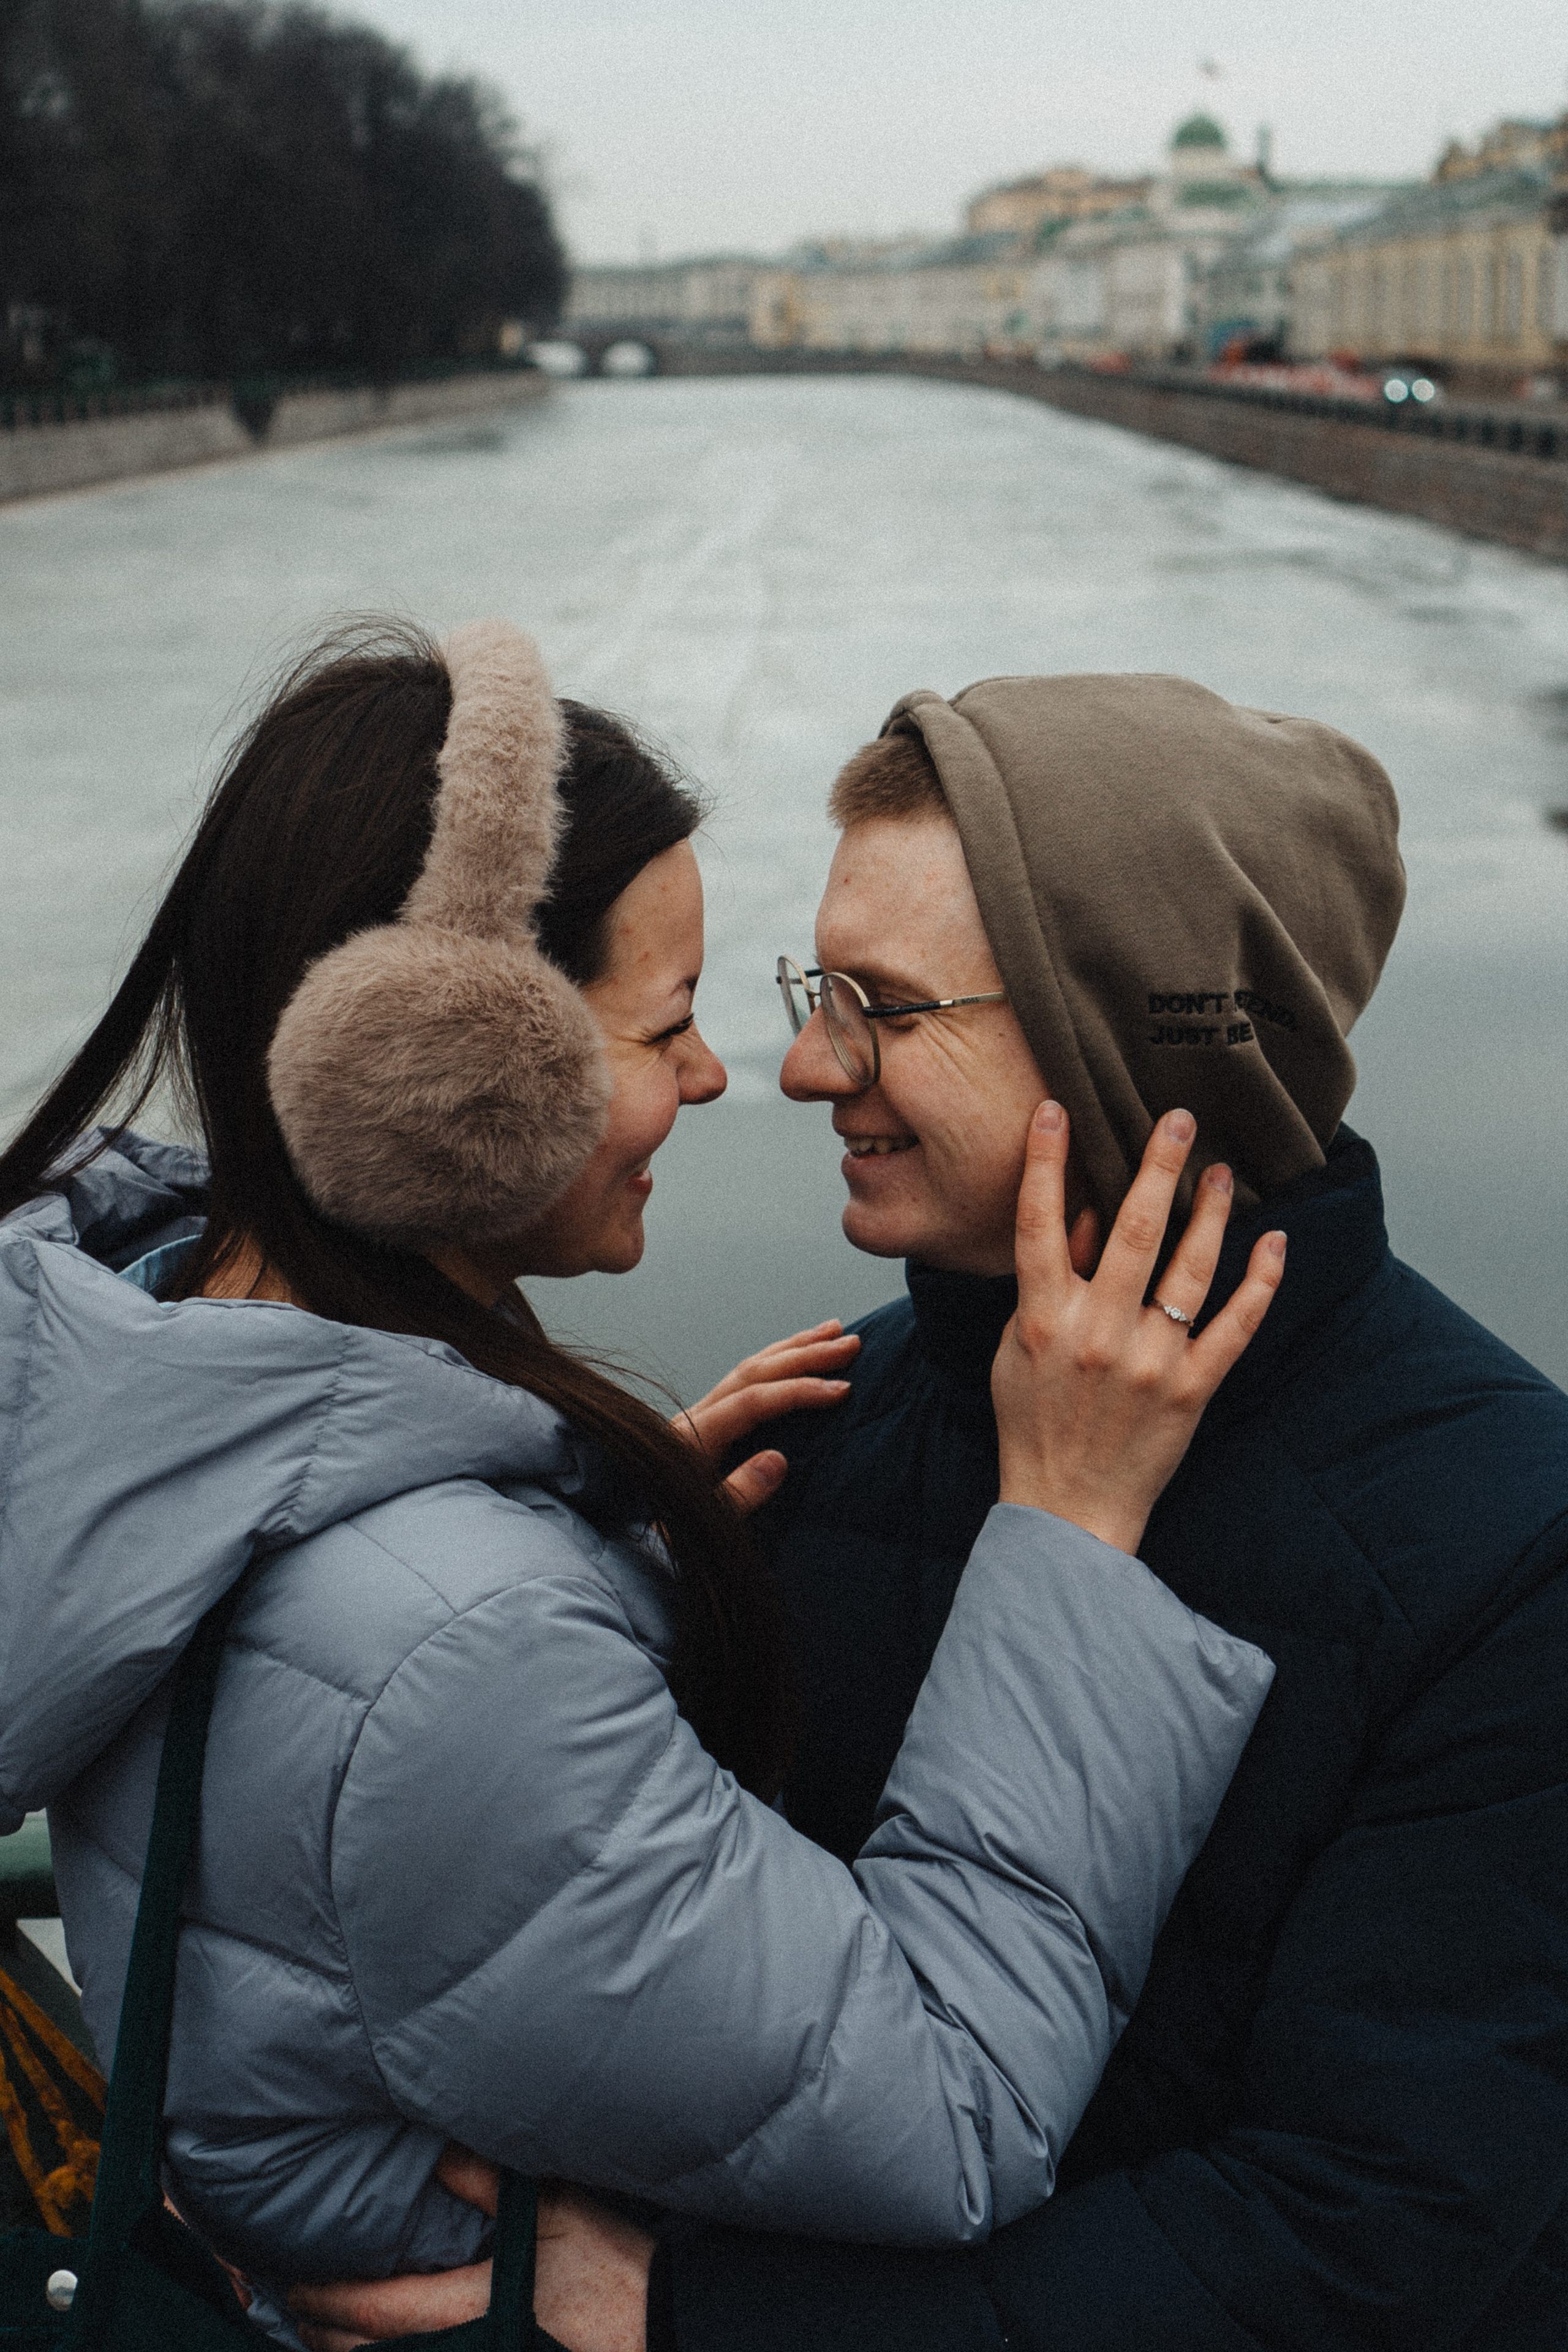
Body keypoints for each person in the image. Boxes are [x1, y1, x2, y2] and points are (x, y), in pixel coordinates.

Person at [0, 627, 1283, 2346]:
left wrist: (595, 1515)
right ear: (444, 1072)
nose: (719, 1074)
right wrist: (1067, 1532)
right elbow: (952, 2106)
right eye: (668, 1024)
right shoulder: (459, 1646)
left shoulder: (153, 1357)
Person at [323, 671, 1568, 2352]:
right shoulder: (823, 1415)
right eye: (814, 989)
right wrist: (606, 1554)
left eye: (884, 1008)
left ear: (1135, 1038)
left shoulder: (1516, 1545)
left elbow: (1370, 2230)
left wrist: (696, 2319)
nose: (804, 1065)